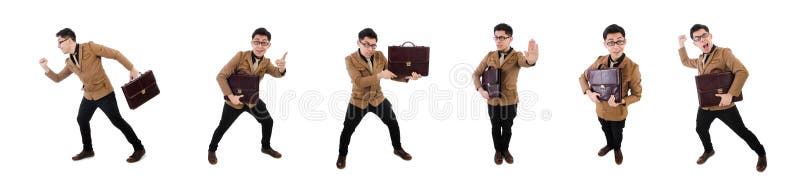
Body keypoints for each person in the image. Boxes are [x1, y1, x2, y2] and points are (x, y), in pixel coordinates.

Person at [38, 28, 146, 163]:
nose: (58, 46)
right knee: (82, 119)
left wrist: (131, 68)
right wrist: (45, 68)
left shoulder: (90, 47)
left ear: (70, 40)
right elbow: (58, 78)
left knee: (117, 121)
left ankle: (139, 148)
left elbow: (115, 54)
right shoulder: (70, 61)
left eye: (60, 42)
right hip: (89, 95)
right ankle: (88, 150)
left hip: (104, 93)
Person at [677, 24, 767, 172]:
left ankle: (761, 153)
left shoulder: (724, 53)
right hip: (706, 106)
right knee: (700, 129)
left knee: (742, 132)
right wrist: (681, 44)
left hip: (725, 106)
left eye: (704, 35)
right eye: (698, 38)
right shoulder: (700, 59)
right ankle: (709, 150)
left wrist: (730, 94)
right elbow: (685, 62)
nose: (702, 40)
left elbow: (742, 71)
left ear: (710, 36)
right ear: (695, 43)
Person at [336, 28, 423, 169]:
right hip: (359, 100)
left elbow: (392, 73)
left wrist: (408, 77)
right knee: (347, 129)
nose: (370, 48)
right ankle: (342, 155)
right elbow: (359, 81)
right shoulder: (350, 59)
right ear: (358, 43)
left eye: (373, 45)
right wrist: (380, 75)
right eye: (366, 44)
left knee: (393, 123)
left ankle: (397, 148)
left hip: (377, 98)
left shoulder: (380, 56)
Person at [207, 27, 287, 165]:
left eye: (264, 42)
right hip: (234, 101)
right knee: (222, 126)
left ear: (269, 45)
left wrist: (281, 68)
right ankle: (212, 149)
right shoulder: (240, 56)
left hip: (252, 101)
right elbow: (220, 76)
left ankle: (265, 147)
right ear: (252, 43)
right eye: (257, 42)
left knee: (268, 121)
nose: (260, 46)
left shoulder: (266, 63)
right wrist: (230, 96)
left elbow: (277, 73)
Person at [471, 23, 538, 165]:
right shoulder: (490, 55)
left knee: (507, 128)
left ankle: (505, 150)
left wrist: (531, 59)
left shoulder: (517, 55)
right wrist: (480, 90)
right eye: (496, 38)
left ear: (510, 39)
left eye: (502, 37)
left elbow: (526, 62)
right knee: (495, 127)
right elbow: (476, 74)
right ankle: (498, 151)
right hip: (492, 100)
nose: (498, 41)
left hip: (510, 100)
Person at [578, 24, 642, 165]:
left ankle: (617, 148)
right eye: (611, 42)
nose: (616, 46)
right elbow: (582, 77)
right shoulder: (599, 60)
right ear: (605, 44)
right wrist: (589, 92)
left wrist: (622, 101)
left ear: (625, 41)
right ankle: (609, 145)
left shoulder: (633, 67)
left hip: (618, 111)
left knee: (617, 133)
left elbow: (637, 95)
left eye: (619, 41)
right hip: (600, 108)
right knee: (605, 129)